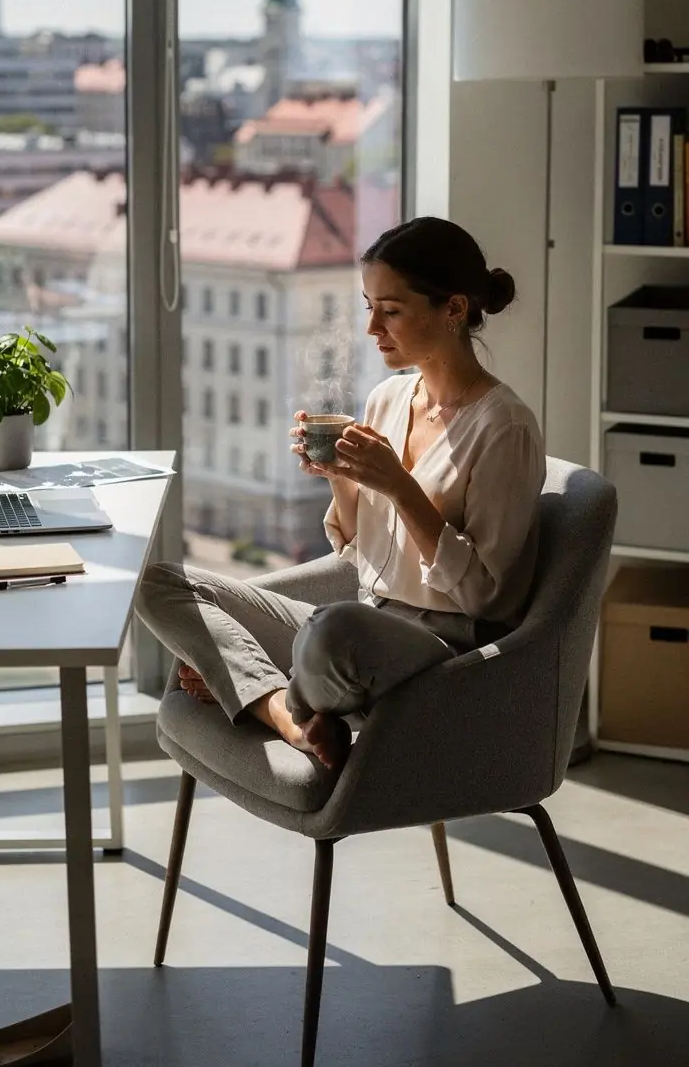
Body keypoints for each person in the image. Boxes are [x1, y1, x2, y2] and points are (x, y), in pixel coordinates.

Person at [137, 216, 545, 772]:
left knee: (333, 627)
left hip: (441, 652)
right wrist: (341, 478)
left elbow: (489, 601)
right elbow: (357, 555)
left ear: (453, 309)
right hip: (362, 628)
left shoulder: (504, 427)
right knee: (160, 581)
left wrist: (399, 487)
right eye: (368, 305)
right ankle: (288, 713)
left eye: (392, 310)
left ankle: (256, 688)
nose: (372, 325)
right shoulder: (388, 399)